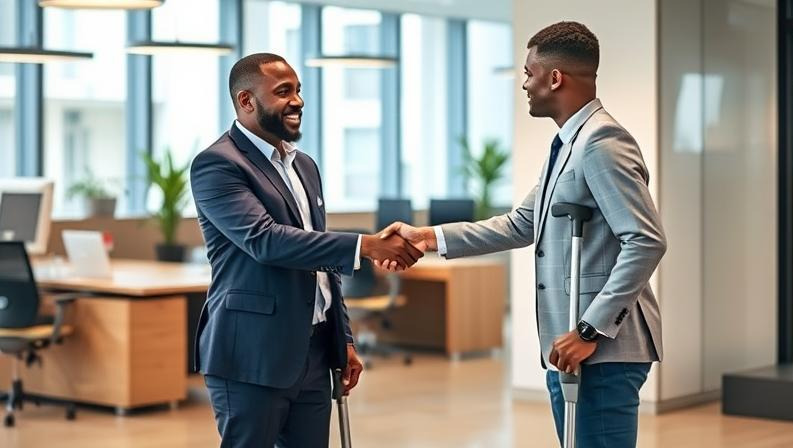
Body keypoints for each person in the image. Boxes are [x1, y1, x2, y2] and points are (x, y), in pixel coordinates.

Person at [378, 22, 666, 448]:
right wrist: (426, 237)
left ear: (555, 78)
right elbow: (521, 223)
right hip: (573, 344)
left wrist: (590, 330)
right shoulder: (569, 143)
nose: (525, 85)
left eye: (528, 73)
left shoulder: (601, 141)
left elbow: (645, 240)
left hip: (600, 347)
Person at [190, 52, 423, 448]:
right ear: (247, 101)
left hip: (314, 352)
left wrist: (343, 338)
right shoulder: (218, 164)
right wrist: (366, 245)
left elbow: (321, 262)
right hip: (252, 354)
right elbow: (266, 240)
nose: (297, 101)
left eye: (298, 91)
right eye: (284, 92)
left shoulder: (305, 166)